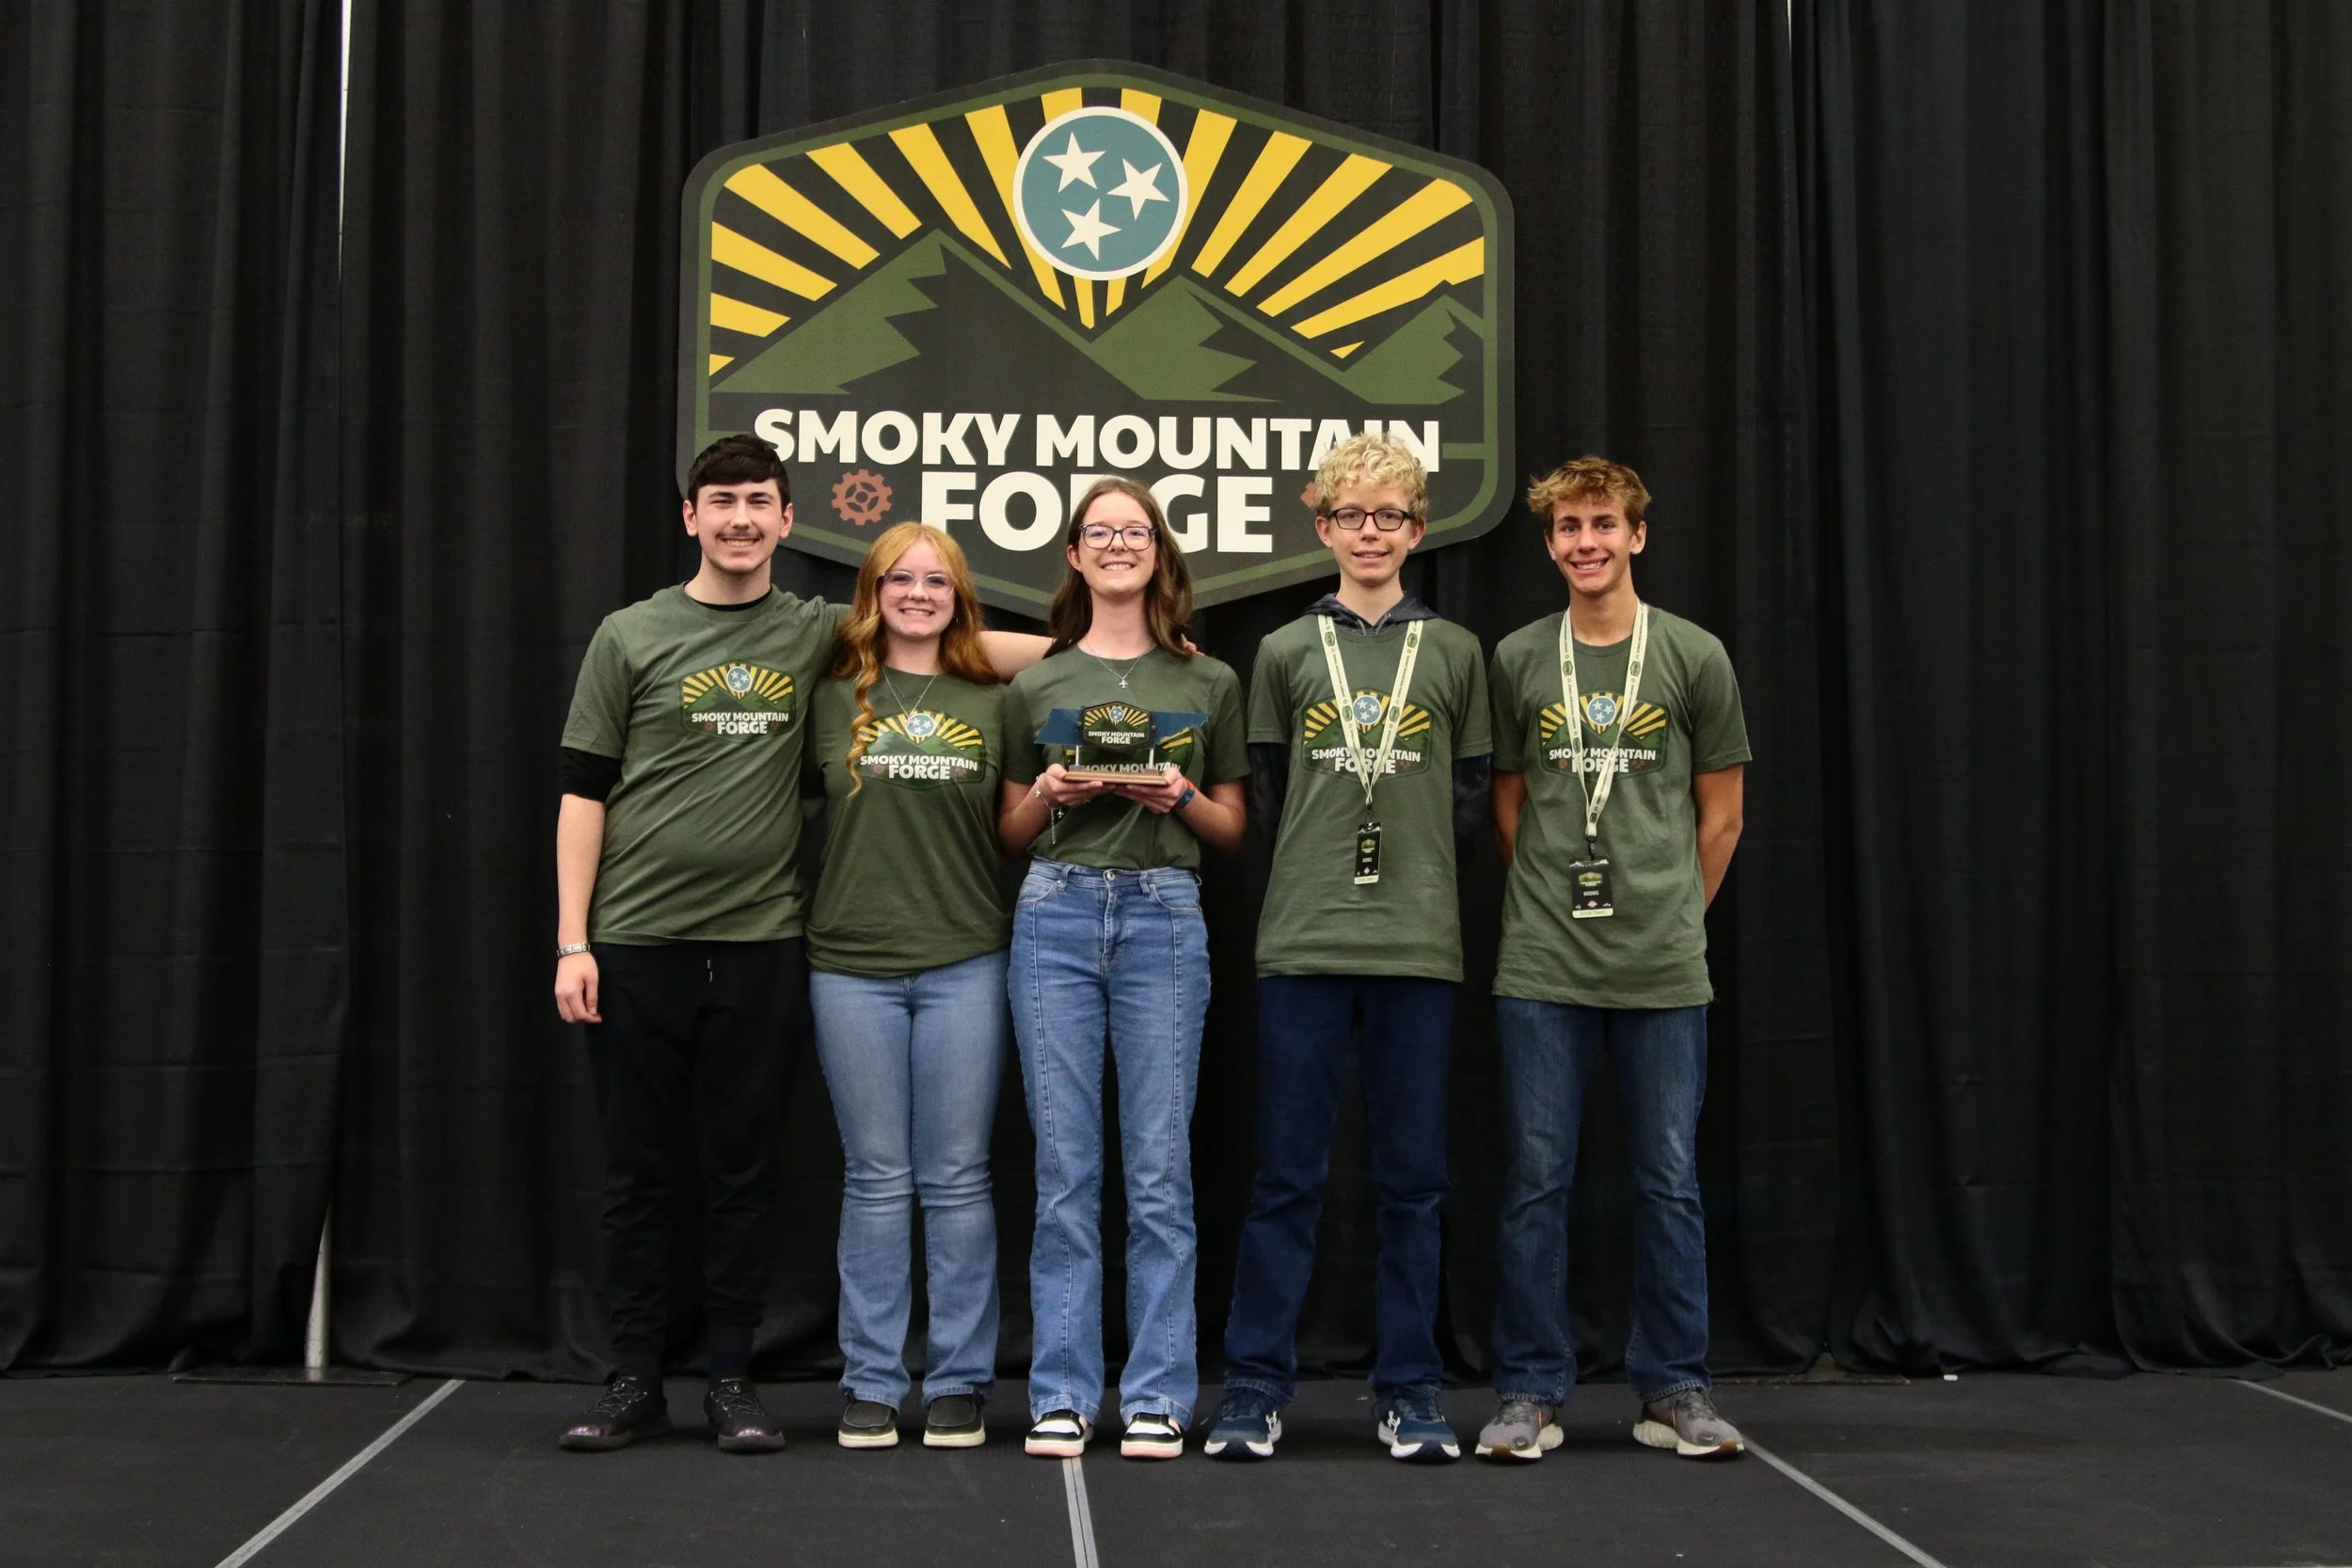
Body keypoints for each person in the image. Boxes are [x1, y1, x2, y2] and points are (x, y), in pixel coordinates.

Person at [552, 434, 1044, 1454]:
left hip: (764, 939)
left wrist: (1123, 651)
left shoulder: (816, 631)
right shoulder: (630, 634)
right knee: (640, 1172)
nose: (739, 518)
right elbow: (582, 790)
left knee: (745, 1171)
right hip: (637, 938)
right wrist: (572, 939)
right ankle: (633, 1375)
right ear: (691, 516)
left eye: (758, 501)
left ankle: (733, 1379)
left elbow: (964, 637)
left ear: (787, 520)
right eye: (721, 500)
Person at [1203, 434, 1491, 1465]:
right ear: (1321, 526)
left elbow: (1469, 799)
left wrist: (1411, 881)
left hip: (1417, 945)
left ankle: (1409, 1388)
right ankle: (1253, 1385)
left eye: (1390, 516)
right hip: (1305, 941)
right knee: (1287, 1174)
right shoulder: (1284, 650)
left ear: (1418, 530)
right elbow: (1270, 795)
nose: (1371, 533)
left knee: (1414, 1180)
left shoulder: (1454, 652)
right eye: (1351, 515)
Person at [1475, 457, 1751, 1464]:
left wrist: (1672, 911)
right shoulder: (1518, 657)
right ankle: (1529, 1390)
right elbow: (1508, 800)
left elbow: (1721, 814)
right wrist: (1556, 902)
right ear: (1550, 544)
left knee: (1668, 1179)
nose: (1584, 542)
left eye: (1601, 524)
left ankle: (1673, 1386)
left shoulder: (1693, 654)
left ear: (1637, 534)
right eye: (1567, 528)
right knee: (1534, 1181)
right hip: (1543, 963)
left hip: (1662, 966)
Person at [996, 477, 1248, 1462]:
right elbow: (1008, 831)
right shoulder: (1038, 683)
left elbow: (1230, 828)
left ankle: (1156, 1393)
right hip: (1055, 911)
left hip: (1164, 917)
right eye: (1098, 532)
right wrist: (1052, 792)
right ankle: (1061, 1390)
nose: (1116, 545)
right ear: (1073, 553)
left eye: (1133, 531)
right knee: (1064, 1169)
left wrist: (1178, 793)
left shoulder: (1207, 679)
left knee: (1159, 1170)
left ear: (1157, 550)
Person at [806, 523, 1009, 1452]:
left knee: (958, 1176)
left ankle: (960, 1377)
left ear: (959, 595)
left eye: (937, 580)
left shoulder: (995, 697)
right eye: (900, 578)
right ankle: (874, 1380)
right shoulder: (828, 693)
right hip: (850, 964)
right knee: (876, 1177)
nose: (918, 593)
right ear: (873, 591)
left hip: (966, 958)